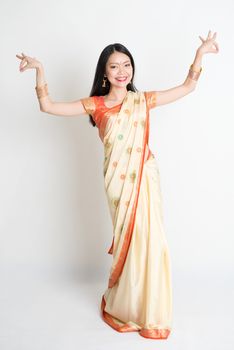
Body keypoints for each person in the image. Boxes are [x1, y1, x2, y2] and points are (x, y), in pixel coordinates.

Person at [16, 30, 219, 339]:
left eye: (127, 64)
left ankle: (150, 308)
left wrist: (200, 54)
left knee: (152, 242)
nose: (123, 71)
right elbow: (49, 107)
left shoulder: (142, 101)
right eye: (114, 66)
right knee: (132, 243)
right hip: (118, 184)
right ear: (104, 72)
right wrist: (40, 71)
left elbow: (188, 87)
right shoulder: (95, 105)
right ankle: (127, 305)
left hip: (145, 180)